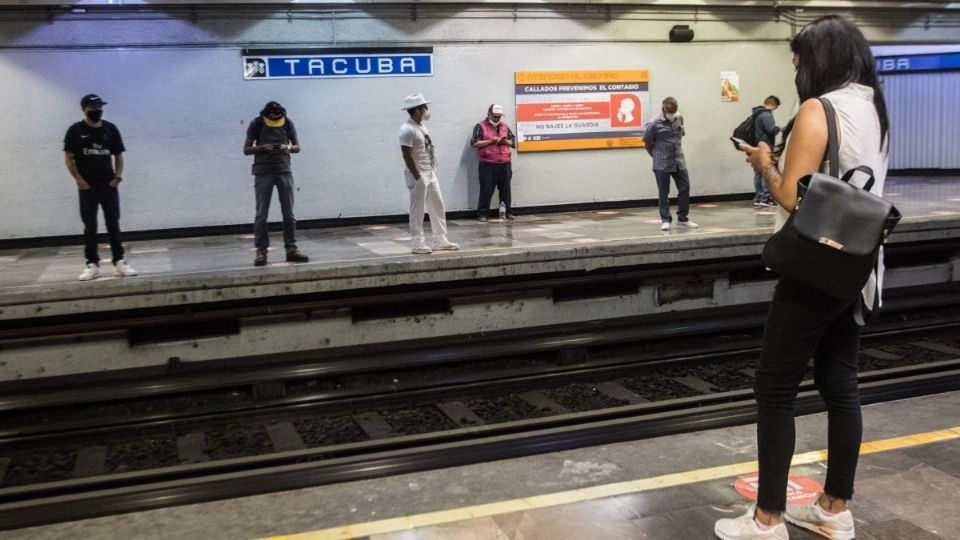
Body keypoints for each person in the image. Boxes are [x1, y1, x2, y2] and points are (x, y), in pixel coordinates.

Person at [715, 15, 890, 540]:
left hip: (818, 268)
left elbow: (795, 198)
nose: (797, 76)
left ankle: (767, 519)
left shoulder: (821, 108)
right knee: (841, 383)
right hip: (861, 270)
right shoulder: (874, 107)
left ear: (819, 62)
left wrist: (765, 164)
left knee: (774, 388)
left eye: (799, 64)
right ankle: (835, 508)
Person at [63, 94, 137, 281]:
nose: (97, 110)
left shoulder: (110, 129)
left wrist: (118, 177)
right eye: (92, 107)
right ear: (84, 109)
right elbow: (69, 158)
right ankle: (92, 264)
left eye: (99, 107)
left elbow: (118, 155)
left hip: (108, 185)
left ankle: (119, 261)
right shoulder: (75, 130)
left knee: (113, 224)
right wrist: (79, 180)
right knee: (90, 226)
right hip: (88, 186)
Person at [243, 101, 309, 267]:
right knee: (261, 215)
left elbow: (297, 147)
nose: (274, 119)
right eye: (271, 117)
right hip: (263, 172)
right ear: (265, 115)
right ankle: (261, 252)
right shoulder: (257, 123)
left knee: (289, 213)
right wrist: (260, 148)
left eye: (276, 117)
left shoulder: (287, 123)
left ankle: (291, 249)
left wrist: (286, 147)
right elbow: (246, 149)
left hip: (284, 171)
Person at [399, 93, 460, 254]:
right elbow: (406, 154)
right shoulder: (407, 130)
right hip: (418, 173)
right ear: (417, 110)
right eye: (424, 107)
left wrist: (430, 170)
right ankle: (417, 243)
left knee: (437, 205)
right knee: (418, 209)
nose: (427, 109)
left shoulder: (421, 127)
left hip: (430, 172)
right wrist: (416, 175)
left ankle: (440, 240)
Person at [642, 97, 698, 231]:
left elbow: (680, 136)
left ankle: (683, 218)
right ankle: (665, 220)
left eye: (674, 111)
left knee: (685, 188)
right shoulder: (654, 123)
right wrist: (656, 157)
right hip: (662, 164)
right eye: (669, 112)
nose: (672, 115)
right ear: (663, 110)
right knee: (663, 192)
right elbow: (647, 144)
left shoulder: (679, 118)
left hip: (679, 161)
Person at [471, 104, 516, 222]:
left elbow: (513, 143)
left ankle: (507, 212)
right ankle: (482, 214)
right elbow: (474, 143)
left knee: (506, 190)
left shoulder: (505, 126)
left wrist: (504, 141)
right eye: (495, 116)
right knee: (486, 189)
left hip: (505, 163)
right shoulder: (480, 126)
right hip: (488, 164)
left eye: (499, 116)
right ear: (489, 114)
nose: (497, 119)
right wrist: (490, 141)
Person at [752, 96, 781, 207]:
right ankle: (766, 198)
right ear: (773, 105)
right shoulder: (766, 115)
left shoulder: (756, 113)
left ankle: (759, 197)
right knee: (766, 172)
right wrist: (779, 128)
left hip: (757, 144)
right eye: (776, 107)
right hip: (766, 146)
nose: (775, 109)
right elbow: (771, 130)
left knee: (758, 173)